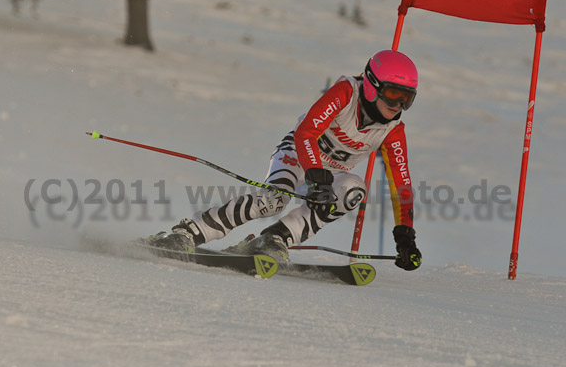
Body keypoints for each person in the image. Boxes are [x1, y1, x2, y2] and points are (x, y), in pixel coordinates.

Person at [150, 50, 422, 271]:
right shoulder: (346, 93)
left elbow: (401, 183)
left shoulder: (393, 130)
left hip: (331, 173)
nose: (398, 105)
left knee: (354, 191)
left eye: (407, 99)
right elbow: (307, 131)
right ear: (373, 86)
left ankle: (276, 238)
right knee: (273, 201)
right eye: (393, 94)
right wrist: (314, 171)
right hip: (297, 153)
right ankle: (188, 232)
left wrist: (405, 235)